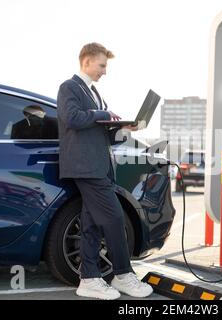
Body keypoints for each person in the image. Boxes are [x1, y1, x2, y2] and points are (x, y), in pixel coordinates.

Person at [57, 42, 153, 300]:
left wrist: (123, 129)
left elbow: (101, 135)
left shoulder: (96, 93)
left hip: (98, 165)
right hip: (85, 167)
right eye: (102, 65)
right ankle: (123, 275)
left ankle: (88, 279)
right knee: (114, 219)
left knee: (92, 225)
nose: (104, 71)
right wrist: (103, 113)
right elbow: (71, 118)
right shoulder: (70, 87)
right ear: (87, 61)